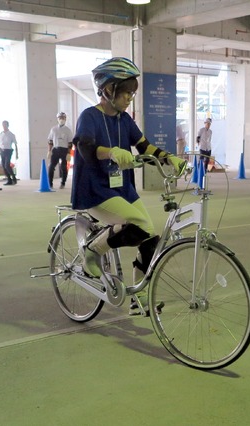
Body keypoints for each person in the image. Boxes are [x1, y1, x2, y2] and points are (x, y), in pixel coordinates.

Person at [71, 57, 185, 316]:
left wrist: (170, 158)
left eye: (132, 93)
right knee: (136, 224)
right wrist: (109, 152)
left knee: (149, 237)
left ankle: (139, 298)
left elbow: (144, 146)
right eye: (125, 92)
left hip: (122, 188)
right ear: (108, 90)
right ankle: (92, 251)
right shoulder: (89, 116)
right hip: (95, 190)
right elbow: (85, 147)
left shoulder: (124, 120)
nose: (129, 98)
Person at [47, 112, 73, 189]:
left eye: (63, 118)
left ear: (65, 119)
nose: (61, 119)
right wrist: (49, 150)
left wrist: (69, 153)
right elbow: (50, 141)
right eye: (60, 118)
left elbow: (70, 143)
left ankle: (63, 183)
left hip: (64, 150)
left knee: (64, 167)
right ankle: (50, 183)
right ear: (57, 119)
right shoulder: (53, 129)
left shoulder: (68, 130)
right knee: (51, 167)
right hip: (56, 149)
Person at [0, 120, 18, 185]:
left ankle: (14, 177)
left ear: (7, 125)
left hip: (8, 150)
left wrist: (17, 153)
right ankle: (9, 179)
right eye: (3, 125)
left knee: (7, 165)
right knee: (4, 166)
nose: (4, 126)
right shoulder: (1, 134)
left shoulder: (11, 134)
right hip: (2, 151)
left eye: (5, 125)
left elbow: (15, 144)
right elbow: (0, 142)